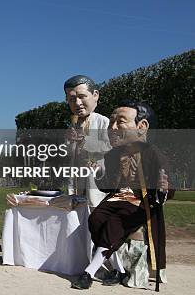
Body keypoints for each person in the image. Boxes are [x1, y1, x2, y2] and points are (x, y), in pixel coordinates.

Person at [71, 101, 173, 290]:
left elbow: (167, 184)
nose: (112, 128)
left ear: (142, 127)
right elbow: (107, 186)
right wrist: (98, 173)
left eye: (120, 122)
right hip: (120, 196)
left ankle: (89, 273)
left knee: (114, 224)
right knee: (96, 219)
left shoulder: (154, 154)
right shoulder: (112, 156)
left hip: (142, 200)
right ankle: (119, 270)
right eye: (111, 123)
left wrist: (163, 189)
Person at [64, 75, 112, 207]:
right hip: (75, 185)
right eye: (72, 99)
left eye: (82, 96)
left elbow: (109, 146)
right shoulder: (71, 127)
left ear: (95, 95)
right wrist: (68, 143)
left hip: (96, 186)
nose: (77, 103)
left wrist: (84, 140)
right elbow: (68, 155)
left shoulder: (104, 122)